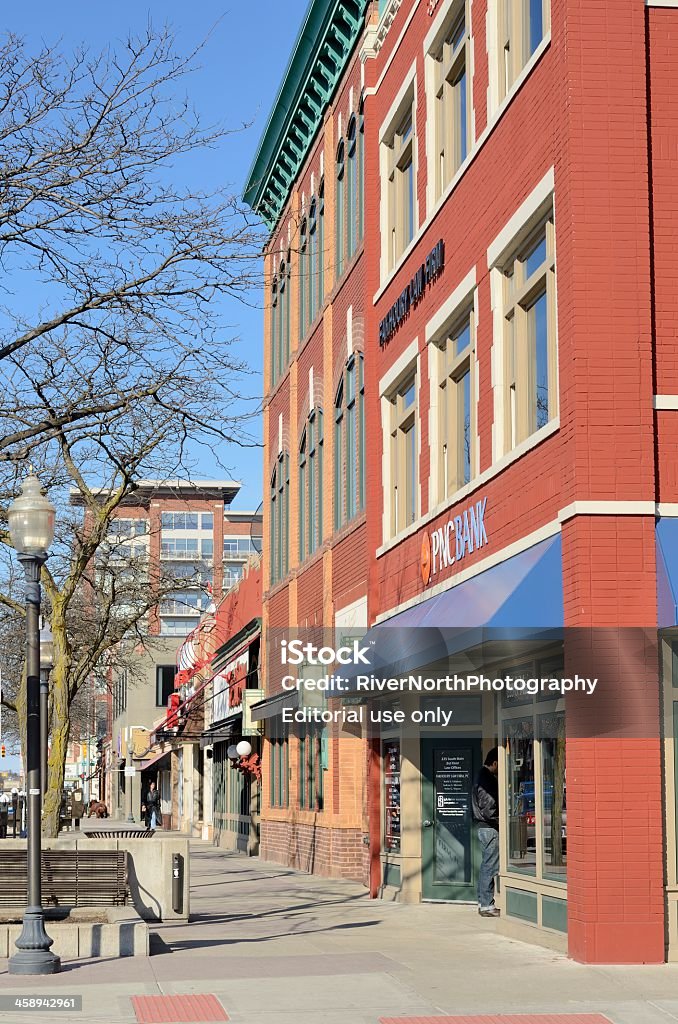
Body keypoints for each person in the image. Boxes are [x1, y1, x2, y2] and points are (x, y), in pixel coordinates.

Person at [472, 746, 500, 918]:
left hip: (483, 826)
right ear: (495, 763)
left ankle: (484, 902)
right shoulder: (487, 779)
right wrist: (500, 822)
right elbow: (489, 807)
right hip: (489, 827)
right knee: (489, 866)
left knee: (487, 865)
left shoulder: (480, 776)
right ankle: (486, 905)